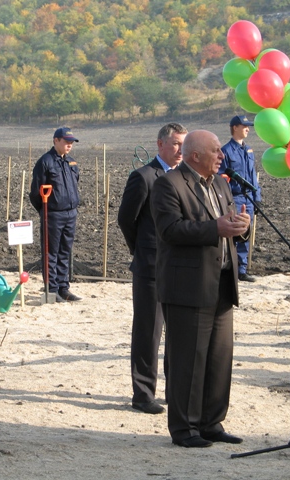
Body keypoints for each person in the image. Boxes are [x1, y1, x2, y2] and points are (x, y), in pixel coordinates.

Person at [151, 129, 250, 448]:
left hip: (221, 284)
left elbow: (228, 224)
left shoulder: (221, 183)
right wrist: (215, 228)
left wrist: (240, 228)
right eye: (217, 151)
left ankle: (211, 422)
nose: (222, 156)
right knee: (188, 361)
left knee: (219, 359)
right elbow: (170, 230)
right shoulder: (169, 184)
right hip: (187, 288)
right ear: (196, 156)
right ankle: (184, 429)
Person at [117, 123, 187, 415]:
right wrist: (143, 251)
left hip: (180, 267)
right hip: (150, 267)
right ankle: (144, 393)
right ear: (159, 145)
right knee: (149, 331)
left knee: (178, 332)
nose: (180, 150)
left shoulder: (185, 178)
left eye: (184, 145)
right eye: (174, 144)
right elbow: (126, 220)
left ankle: (175, 392)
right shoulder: (144, 177)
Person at [30, 127, 81, 302]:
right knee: (51, 253)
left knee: (65, 252)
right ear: (56, 141)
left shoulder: (71, 163)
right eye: (66, 142)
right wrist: (46, 211)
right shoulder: (45, 162)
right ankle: (51, 290)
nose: (69, 145)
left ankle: (63, 287)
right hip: (52, 214)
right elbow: (36, 193)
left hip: (70, 213)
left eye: (71, 142)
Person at [219, 114, 261, 282]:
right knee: (234, 232)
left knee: (245, 232)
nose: (247, 129)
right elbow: (221, 177)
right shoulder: (226, 151)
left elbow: (253, 176)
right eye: (244, 126)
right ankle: (232, 268)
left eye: (248, 126)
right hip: (234, 197)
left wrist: (257, 196)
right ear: (234, 128)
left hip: (249, 197)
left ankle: (242, 269)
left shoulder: (248, 150)